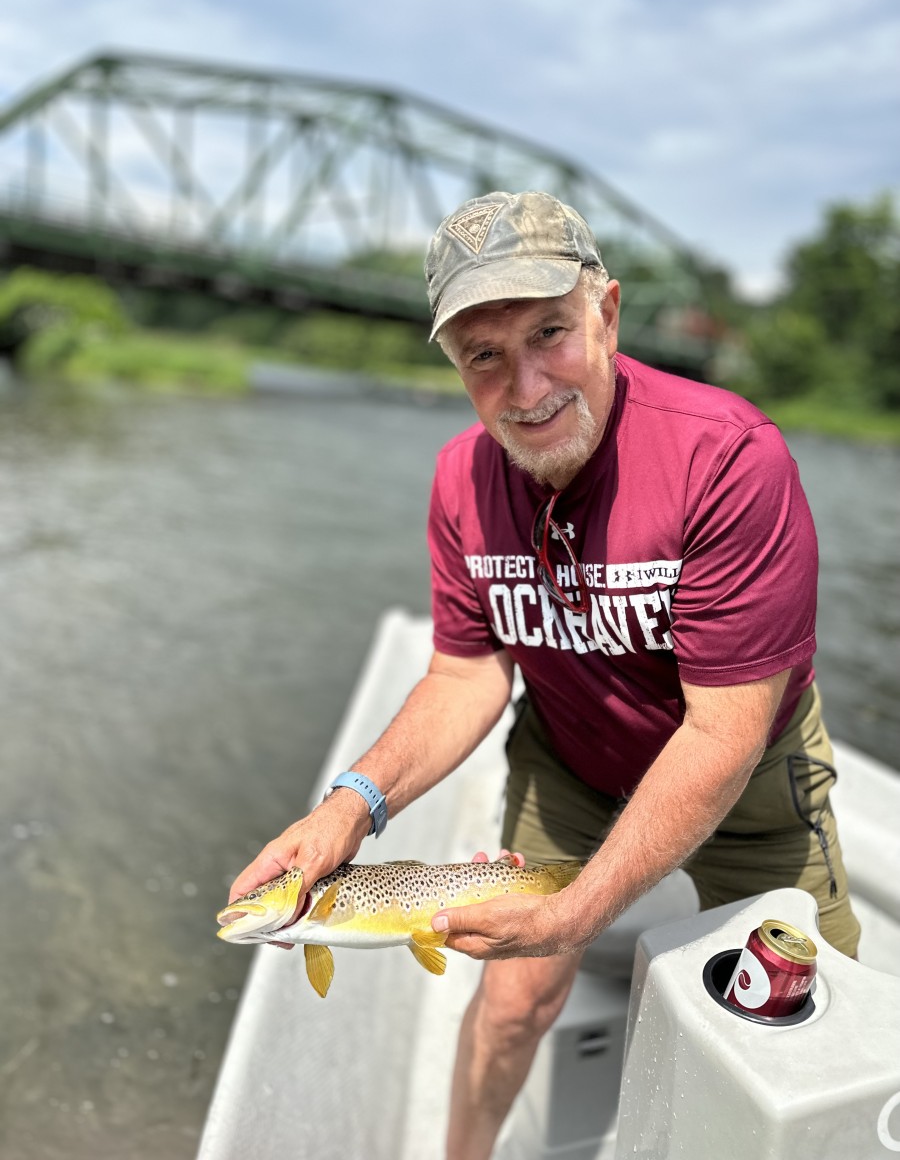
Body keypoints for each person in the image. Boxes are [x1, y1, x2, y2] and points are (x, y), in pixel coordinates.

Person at [229, 190, 860, 1160]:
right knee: (514, 1002)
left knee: (801, 1027)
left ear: (606, 313)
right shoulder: (459, 481)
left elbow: (722, 733)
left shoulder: (729, 459)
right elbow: (466, 675)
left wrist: (580, 907)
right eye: (484, 355)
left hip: (751, 781)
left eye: (550, 334)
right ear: (453, 364)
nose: (525, 389)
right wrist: (348, 807)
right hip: (568, 760)